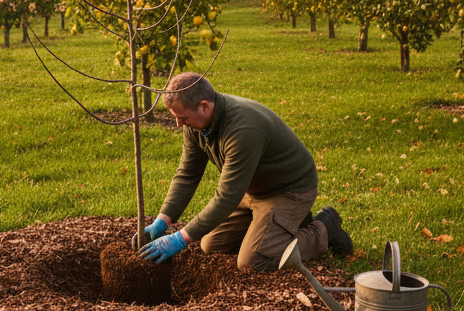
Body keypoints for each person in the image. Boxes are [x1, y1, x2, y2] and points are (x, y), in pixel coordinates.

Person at [137, 71, 353, 270]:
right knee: (211, 244)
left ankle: (323, 229)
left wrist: (179, 239)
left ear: (204, 106)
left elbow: (227, 197)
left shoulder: (242, 129)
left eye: (182, 118)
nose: (178, 124)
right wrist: (163, 220)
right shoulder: (197, 124)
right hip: (253, 190)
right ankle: (281, 227)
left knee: (253, 261)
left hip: (289, 191)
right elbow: (187, 173)